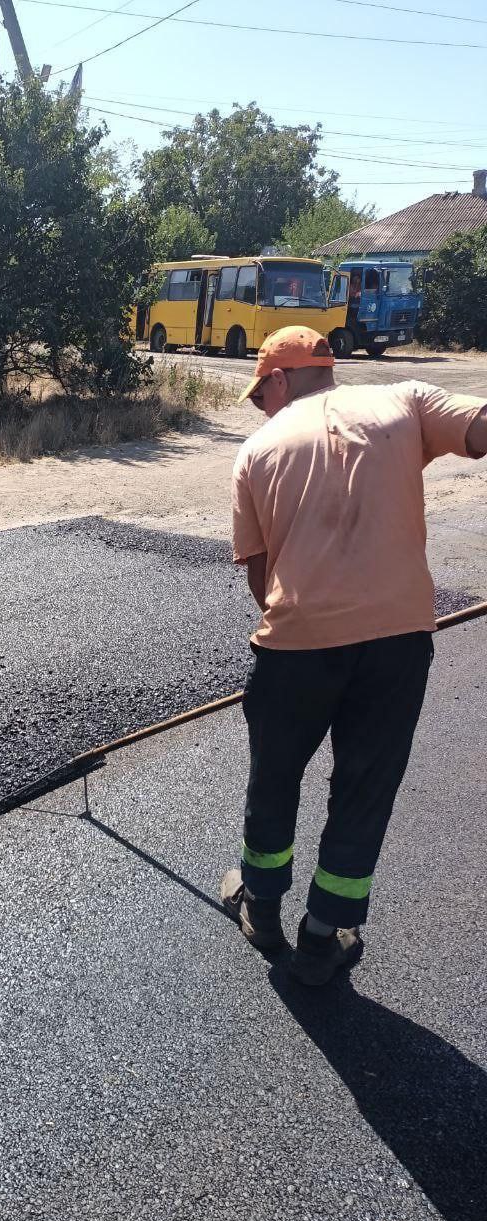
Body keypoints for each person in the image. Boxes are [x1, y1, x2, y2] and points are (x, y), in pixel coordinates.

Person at [220, 326, 487, 985]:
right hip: (399, 643)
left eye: (262, 394)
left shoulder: (256, 450)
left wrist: (305, 629)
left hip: (296, 645)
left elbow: (260, 577)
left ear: (280, 378)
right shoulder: (409, 399)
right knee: (365, 786)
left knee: (275, 776)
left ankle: (261, 903)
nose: (263, 408)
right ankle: (323, 933)